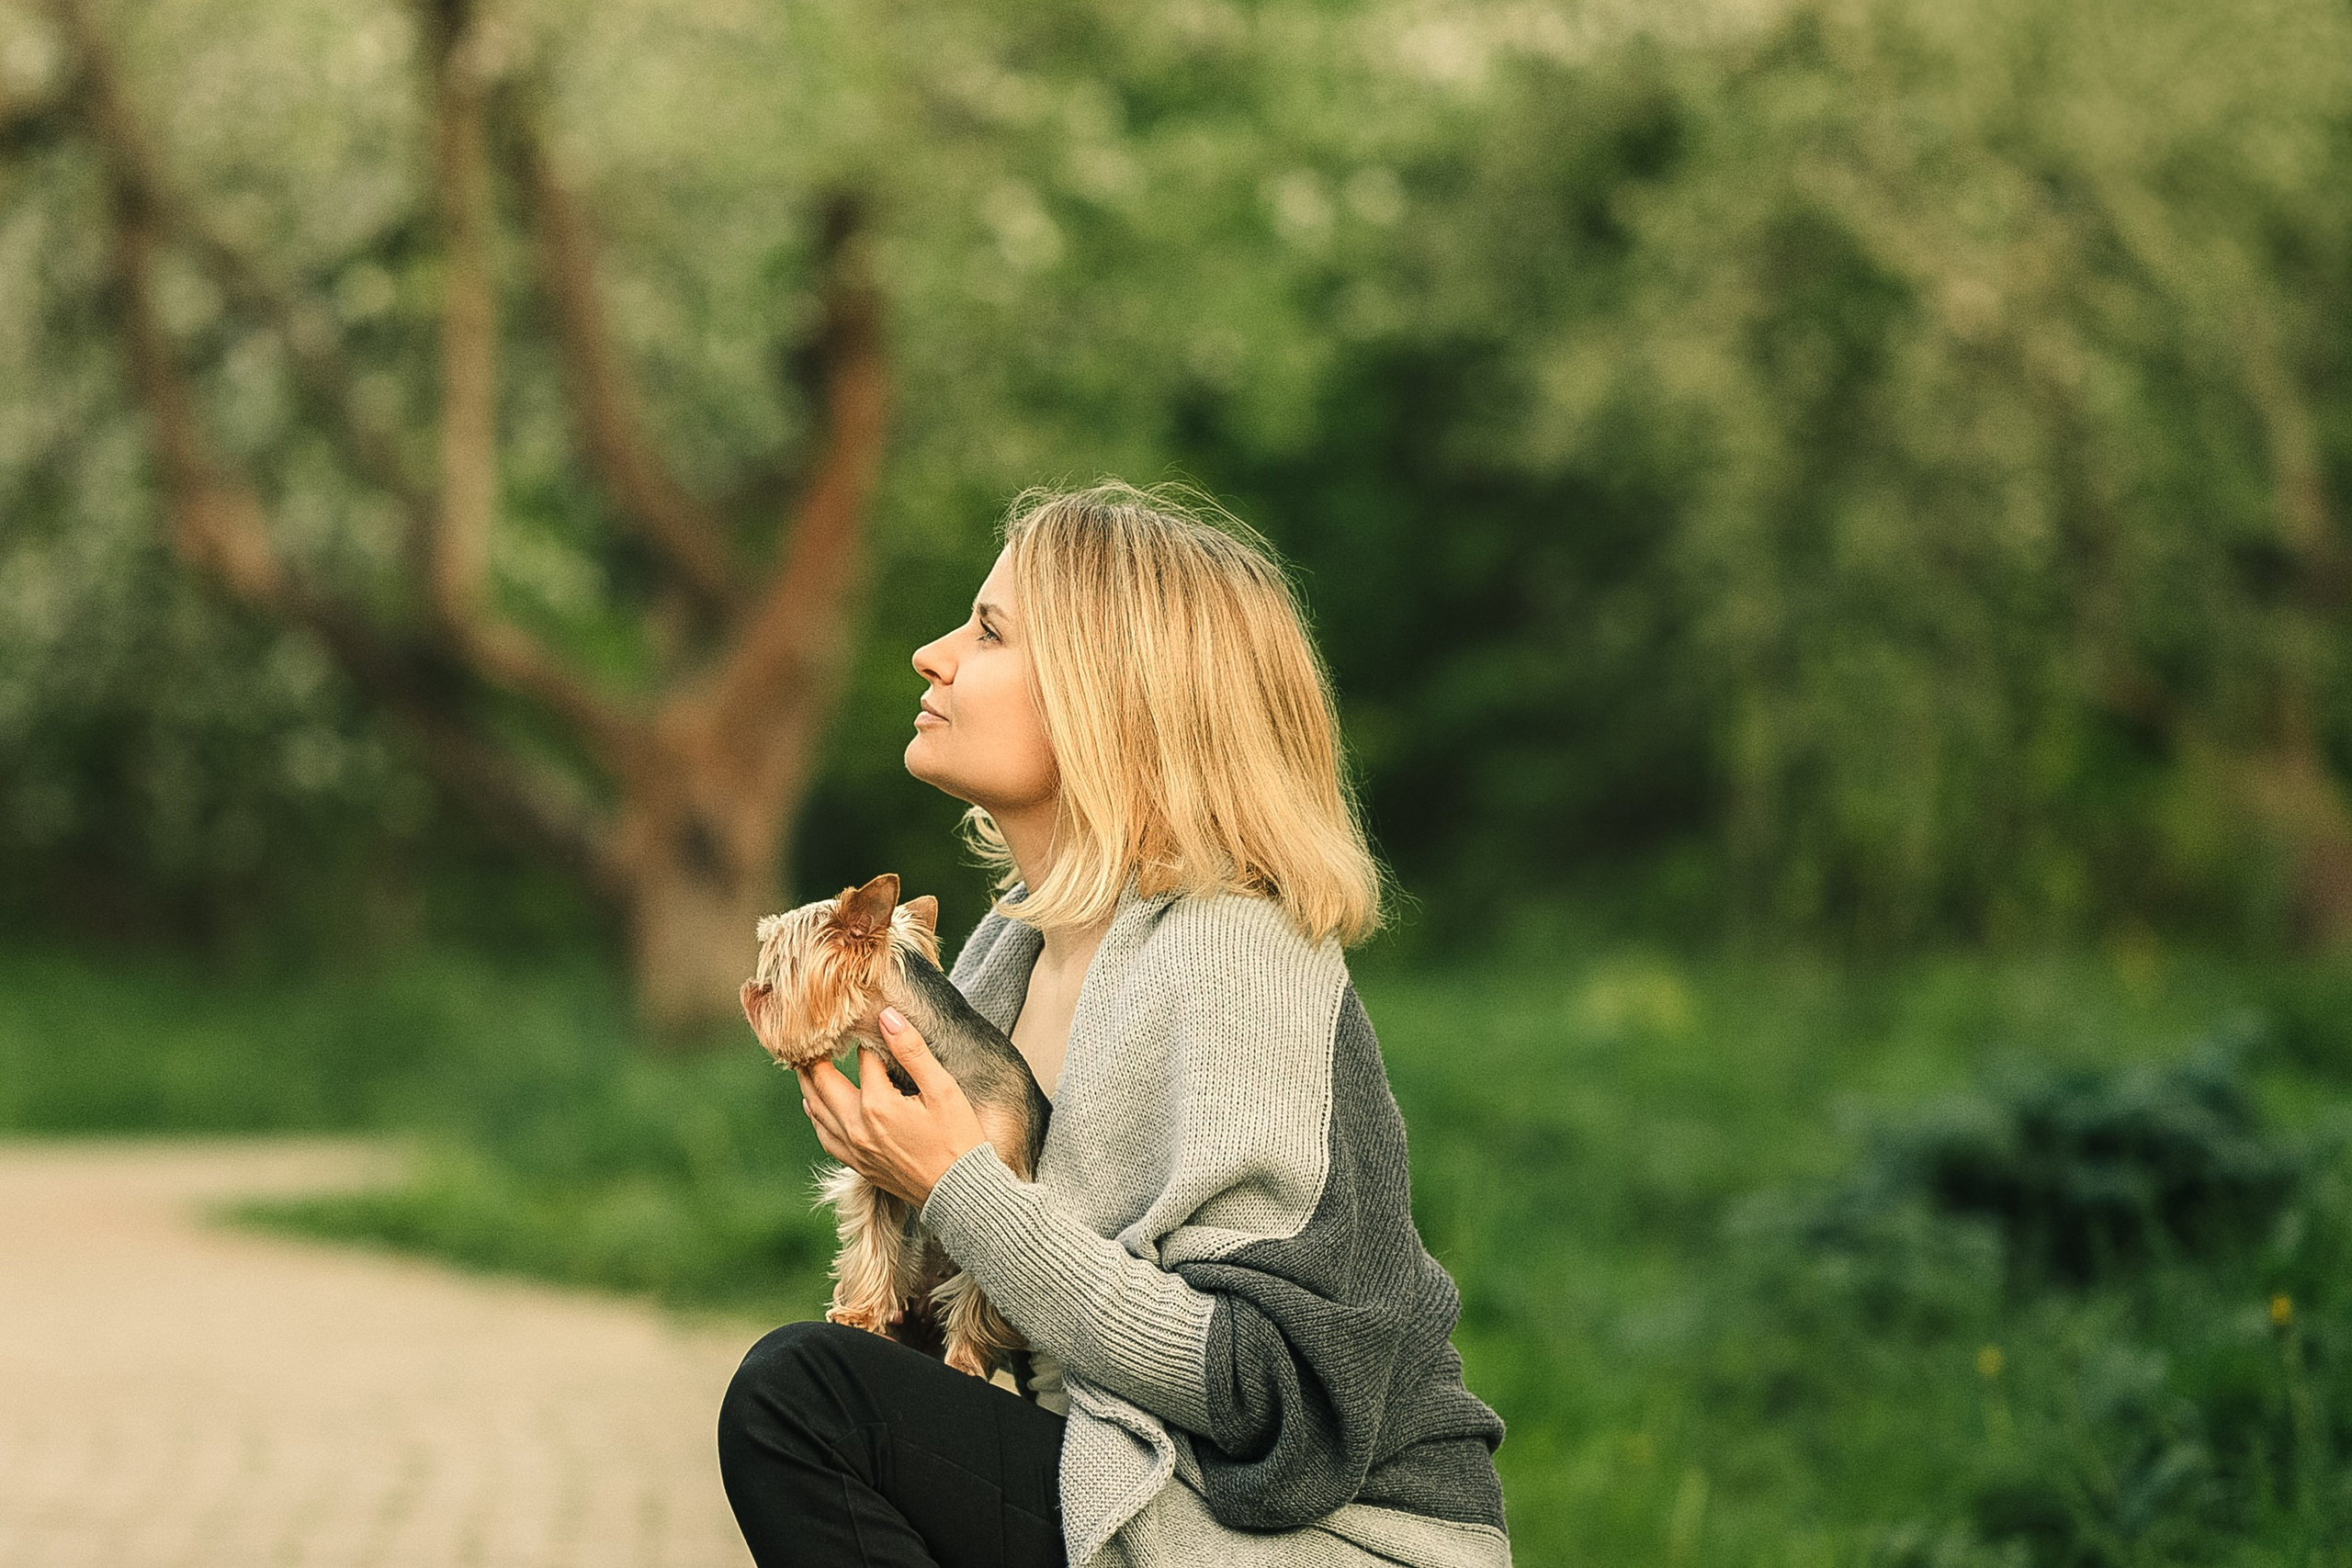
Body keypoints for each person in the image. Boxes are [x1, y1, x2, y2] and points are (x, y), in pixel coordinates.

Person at [717, 482, 1510, 1568]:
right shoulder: (1009, 951)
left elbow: (1269, 1387)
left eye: (988, 631)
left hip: (1322, 1541)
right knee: (825, 1395)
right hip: (1124, 1484)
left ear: (1112, 695)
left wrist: (964, 1192)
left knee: (802, 1399)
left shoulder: (1234, 949)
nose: (930, 655)